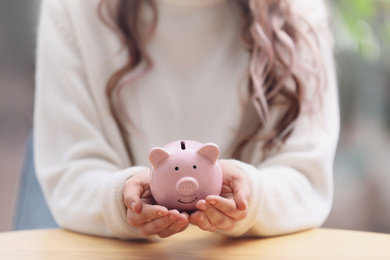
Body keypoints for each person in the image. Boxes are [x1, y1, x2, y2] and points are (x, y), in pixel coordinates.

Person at [34, 0, 339, 239]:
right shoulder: (71, 9)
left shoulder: (298, 12)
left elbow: (307, 179)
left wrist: (251, 196)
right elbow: (70, 173)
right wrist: (121, 199)